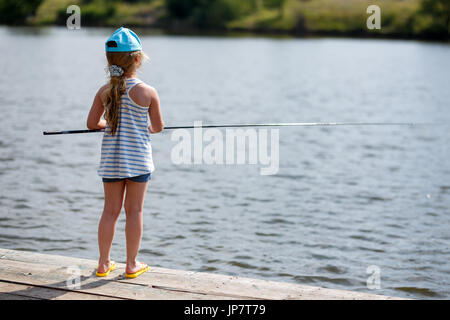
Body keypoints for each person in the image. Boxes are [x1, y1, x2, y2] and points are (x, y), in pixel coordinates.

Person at [86, 27, 164, 278]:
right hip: (138, 163)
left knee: (110, 211)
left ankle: (103, 263)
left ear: (110, 61)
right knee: (135, 211)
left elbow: (91, 123)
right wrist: (147, 128)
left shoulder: (104, 91)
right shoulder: (148, 92)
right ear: (138, 59)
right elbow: (158, 127)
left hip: (111, 164)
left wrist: (107, 125)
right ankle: (131, 265)